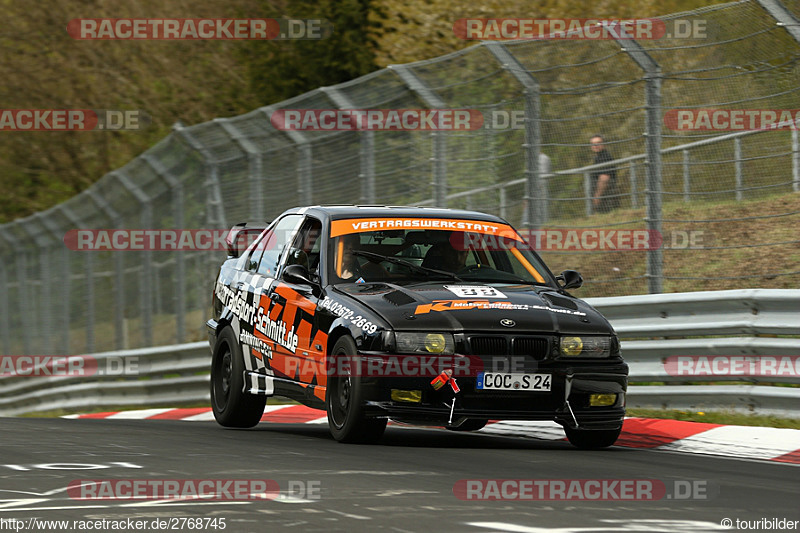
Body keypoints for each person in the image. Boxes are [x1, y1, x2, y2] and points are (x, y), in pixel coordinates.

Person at [589, 135, 620, 214]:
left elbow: (604, 177)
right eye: (593, 144)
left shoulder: (605, 157)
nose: (595, 146)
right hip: (603, 194)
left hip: (606, 195)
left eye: (598, 143)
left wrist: (597, 196)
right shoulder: (597, 157)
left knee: (605, 214)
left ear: (604, 144)